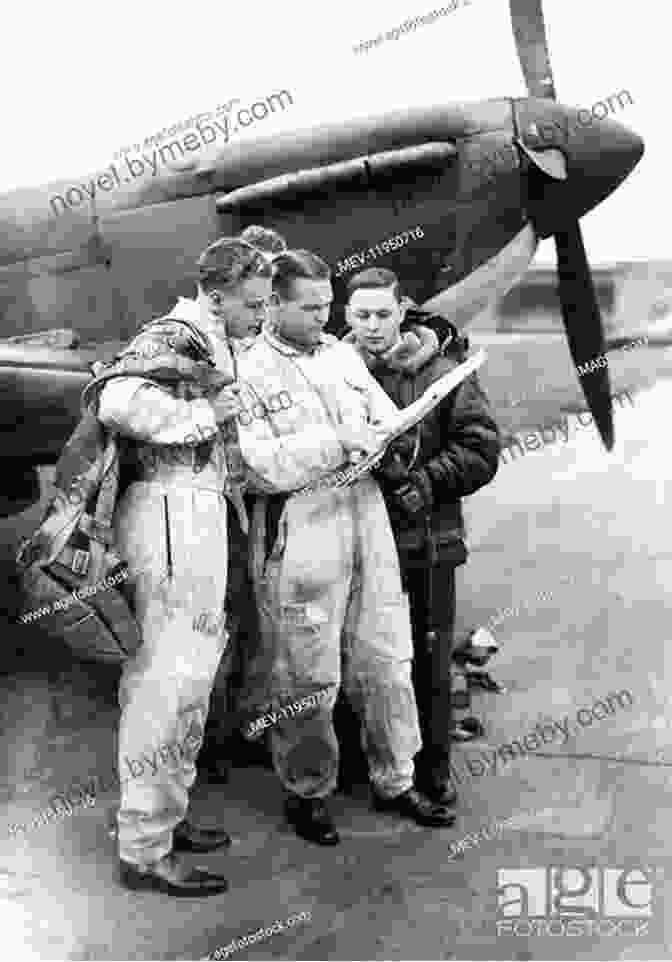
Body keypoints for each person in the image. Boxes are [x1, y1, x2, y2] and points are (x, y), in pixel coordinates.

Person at [234, 248, 455, 846]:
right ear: (273, 304)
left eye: (328, 306)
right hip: (300, 523)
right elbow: (255, 465)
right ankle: (307, 791)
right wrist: (338, 442)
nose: (322, 319)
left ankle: (397, 777)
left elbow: (383, 419)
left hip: (366, 512)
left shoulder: (339, 355)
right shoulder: (247, 368)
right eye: (309, 308)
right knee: (306, 671)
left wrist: (392, 442)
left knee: (386, 655)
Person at [84, 238, 273, 895]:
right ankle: (143, 848)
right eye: (253, 301)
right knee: (164, 681)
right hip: (167, 513)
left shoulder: (213, 336)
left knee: (192, 675)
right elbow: (115, 403)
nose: (263, 312)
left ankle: (168, 816)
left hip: (196, 511)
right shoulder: (175, 332)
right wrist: (200, 416)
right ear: (216, 294)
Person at [343, 267, 500, 807]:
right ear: (346, 316)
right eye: (361, 314)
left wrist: (426, 482)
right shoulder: (331, 372)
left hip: (428, 543)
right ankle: (363, 768)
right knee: (355, 660)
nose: (372, 325)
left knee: (429, 662)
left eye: (383, 313)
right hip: (352, 545)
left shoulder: (446, 371)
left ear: (402, 310)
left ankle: (433, 769)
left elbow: (481, 450)